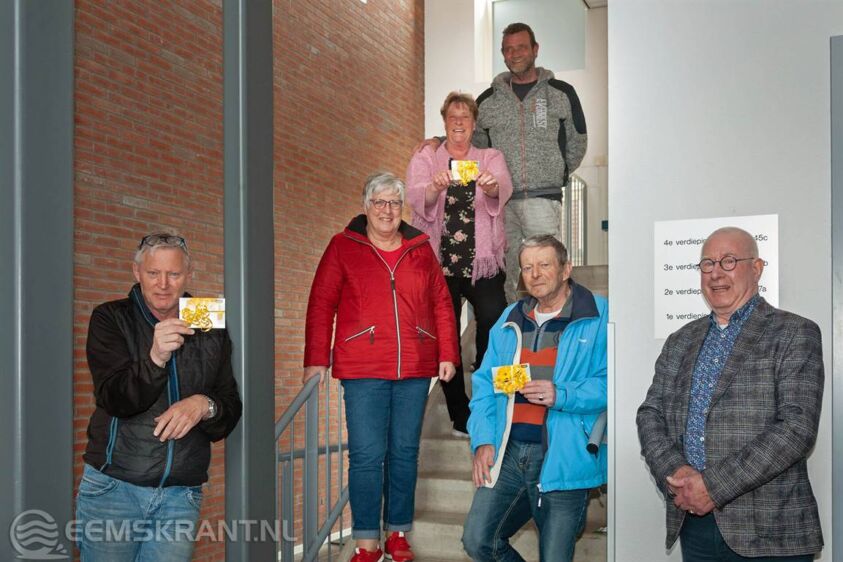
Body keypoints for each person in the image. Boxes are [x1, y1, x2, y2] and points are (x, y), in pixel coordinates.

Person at [637, 227, 824, 561]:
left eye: (729, 261)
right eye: (707, 264)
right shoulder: (681, 340)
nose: (716, 273)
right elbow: (650, 415)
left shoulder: (796, 332)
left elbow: (796, 429)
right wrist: (677, 473)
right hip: (695, 524)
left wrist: (713, 486)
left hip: (770, 530)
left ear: (756, 268)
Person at [303, 172, 459, 562]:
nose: (387, 211)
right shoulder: (342, 246)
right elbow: (322, 303)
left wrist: (448, 353)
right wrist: (316, 359)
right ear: (365, 206)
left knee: (405, 452)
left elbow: (442, 302)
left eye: (394, 203)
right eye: (379, 202)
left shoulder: (421, 248)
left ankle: (399, 534)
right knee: (368, 455)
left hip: (415, 367)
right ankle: (367, 542)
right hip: (362, 369)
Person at [77, 233, 243, 561]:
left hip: (181, 494)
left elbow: (229, 404)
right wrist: (155, 357)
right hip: (114, 489)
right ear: (137, 272)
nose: (163, 284)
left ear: (189, 275)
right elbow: (115, 398)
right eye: (154, 273)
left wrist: (203, 405)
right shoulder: (111, 317)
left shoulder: (207, 320)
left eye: (174, 274)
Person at [417, 22, 587, 303]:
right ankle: (509, 335)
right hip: (497, 205)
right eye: (508, 49)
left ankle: (554, 330)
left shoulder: (560, 93)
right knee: (501, 277)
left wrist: (558, 172)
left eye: (521, 47)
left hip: (542, 199)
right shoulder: (488, 100)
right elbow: (471, 140)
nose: (515, 53)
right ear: (503, 55)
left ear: (535, 49)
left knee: (545, 267)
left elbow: (578, 140)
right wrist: (438, 139)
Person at [462, 235, 607, 562]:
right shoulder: (510, 317)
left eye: (544, 265)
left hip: (564, 454)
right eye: (527, 267)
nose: (535, 274)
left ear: (566, 269)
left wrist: (562, 393)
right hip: (510, 453)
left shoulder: (599, 316)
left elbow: (614, 382)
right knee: (478, 540)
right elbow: (485, 382)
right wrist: (483, 439)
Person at [406, 91, 513, 437]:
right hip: (439, 265)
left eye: (464, 118)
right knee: (444, 335)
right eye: (452, 118)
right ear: (444, 122)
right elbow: (414, 194)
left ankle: (484, 390)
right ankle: (457, 411)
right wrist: (434, 190)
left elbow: (503, 187)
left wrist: (493, 186)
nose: (458, 123)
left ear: (474, 124)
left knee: (495, 318)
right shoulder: (427, 158)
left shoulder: (489, 156)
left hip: (482, 262)